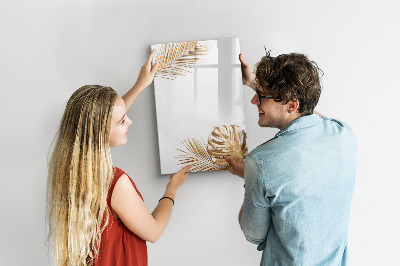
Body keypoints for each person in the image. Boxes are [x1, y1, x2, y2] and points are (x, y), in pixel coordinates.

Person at [46, 50, 191, 266]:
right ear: (100, 132)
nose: (130, 122)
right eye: (122, 121)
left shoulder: (69, 171)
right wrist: (172, 188)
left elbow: (106, 118)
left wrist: (140, 84)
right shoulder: (114, 183)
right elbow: (153, 231)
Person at [226, 52, 357, 265]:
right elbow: (311, 114)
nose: (253, 100)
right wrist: (254, 83)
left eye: (261, 96)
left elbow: (253, 234)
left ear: (292, 105)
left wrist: (251, 177)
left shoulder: (260, 163)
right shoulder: (344, 134)